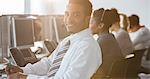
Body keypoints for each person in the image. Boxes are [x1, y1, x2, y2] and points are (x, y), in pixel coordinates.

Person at [5, 0, 102, 79]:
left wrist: (25, 78)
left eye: (76, 15)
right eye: (67, 14)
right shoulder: (68, 41)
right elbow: (48, 64)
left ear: (87, 19)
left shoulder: (88, 47)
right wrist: (23, 71)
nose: (69, 19)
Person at [90, 8, 123, 78]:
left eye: (91, 22)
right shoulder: (110, 37)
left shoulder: (103, 40)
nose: (89, 26)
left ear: (101, 25)